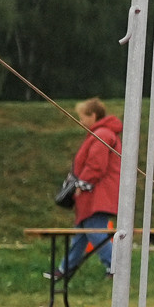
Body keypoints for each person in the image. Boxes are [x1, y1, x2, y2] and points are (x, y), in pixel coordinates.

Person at [47, 99, 122, 283]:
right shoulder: (101, 134)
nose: (81, 123)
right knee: (81, 234)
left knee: (94, 231)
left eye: (83, 118)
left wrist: (81, 184)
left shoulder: (102, 134)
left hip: (97, 194)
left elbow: (96, 165)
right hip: (96, 194)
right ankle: (64, 270)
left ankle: (116, 268)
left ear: (93, 116)